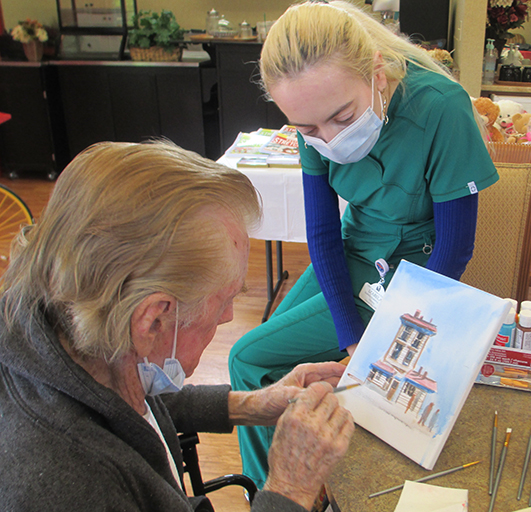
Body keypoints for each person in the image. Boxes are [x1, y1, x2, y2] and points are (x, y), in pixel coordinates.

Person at [229, 0, 499, 487]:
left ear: (376, 72)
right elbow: (324, 234)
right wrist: (350, 333)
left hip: (412, 271)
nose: (329, 139)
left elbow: (454, 249)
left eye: (342, 117)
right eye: (308, 130)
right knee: (274, 361)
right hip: (355, 250)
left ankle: (272, 494)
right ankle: (280, 486)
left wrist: (386, 337)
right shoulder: (315, 113)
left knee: (248, 359)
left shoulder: (440, 107)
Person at [0, 141, 354, 512]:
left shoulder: (71, 330)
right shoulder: (68, 485)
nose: (229, 316)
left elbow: (132, 398)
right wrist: (289, 488)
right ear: (153, 319)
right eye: (224, 300)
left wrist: (249, 405)